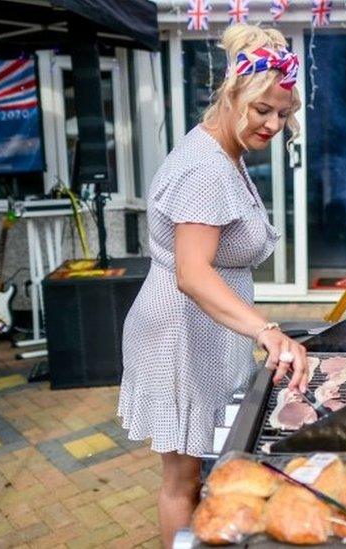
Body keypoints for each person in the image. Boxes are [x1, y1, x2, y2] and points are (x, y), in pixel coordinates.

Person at [117, 24, 308, 548]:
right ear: (232, 94)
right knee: (183, 478)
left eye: (284, 114)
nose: (273, 124)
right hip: (180, 336)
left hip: (204, 331)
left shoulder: (225, 154)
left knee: (202, 468)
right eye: (262, 110)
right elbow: (193, 273)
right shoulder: (205, 169)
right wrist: (267, 330)